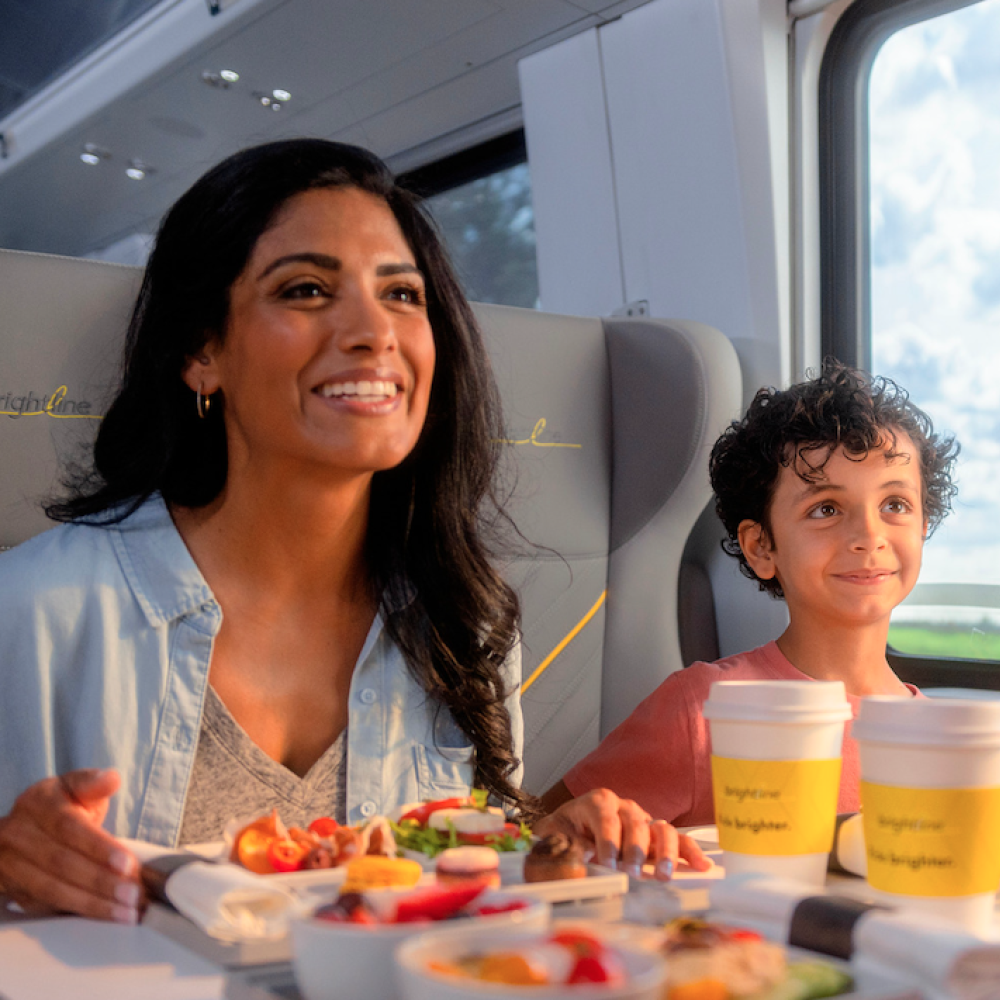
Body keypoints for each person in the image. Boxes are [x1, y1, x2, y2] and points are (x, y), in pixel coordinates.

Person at [0, 139, 700, 924]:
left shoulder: (463, 624)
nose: (376, 331)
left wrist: (543, 846)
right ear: (202, 351)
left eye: (403, 295)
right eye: (305, 290)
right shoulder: (32, 612)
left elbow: (443, 894)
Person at [541, 361, 959, 826]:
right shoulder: (703, 710)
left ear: (923, 527)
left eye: (894, 505)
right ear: (761, 547)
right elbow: (538, 836)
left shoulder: (947, 739)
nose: (868, 535)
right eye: (825, 509)